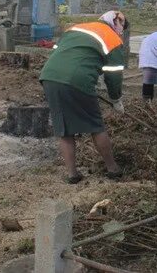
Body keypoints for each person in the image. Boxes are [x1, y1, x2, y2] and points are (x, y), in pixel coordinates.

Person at [39, 10, 128, 184]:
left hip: (50, 77)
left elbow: (64, 53)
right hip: (77, 80)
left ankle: (72, 174)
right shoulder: (112, 38)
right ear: (116, 24)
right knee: (95, 125)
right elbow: (114, 75)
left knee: (64, 128)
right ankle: (113, 169)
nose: (121, 31)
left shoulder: (76, 28)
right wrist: (116, 99)